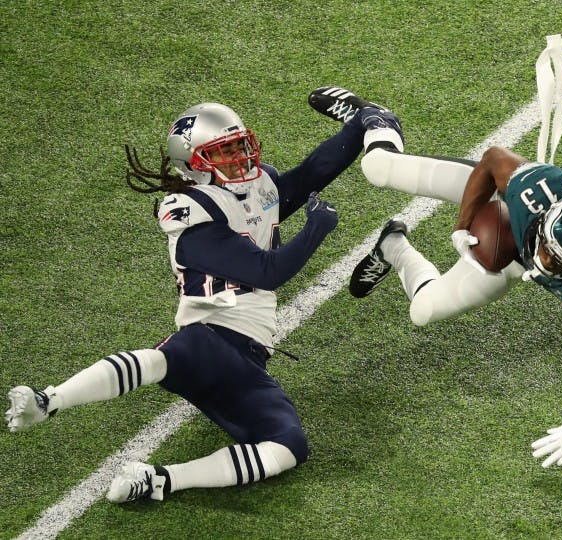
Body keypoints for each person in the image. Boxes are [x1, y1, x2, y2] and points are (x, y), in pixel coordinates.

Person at [4, 86, 405, 502]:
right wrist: (315, 230)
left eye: (238, 145)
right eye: (223, 151)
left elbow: (308, 176)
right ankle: (48, 400)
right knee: (170, 356)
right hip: (210, 331)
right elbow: (266, 272)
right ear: (194, 165)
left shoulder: (254, 185)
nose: (239, 158)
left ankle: (160, 479)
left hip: (247, 356)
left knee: (288, 446)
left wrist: (363, 123)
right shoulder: (190, 214)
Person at [339, 118, 562, 467]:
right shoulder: (535, 190)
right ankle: (378, 121)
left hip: (511, 262)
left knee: (423, 310)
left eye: (555, 259)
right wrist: (463, 224)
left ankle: (393, 246)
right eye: (546, 245)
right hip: (498, 199)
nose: (543, 257)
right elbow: (492, 159)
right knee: (378, 167)